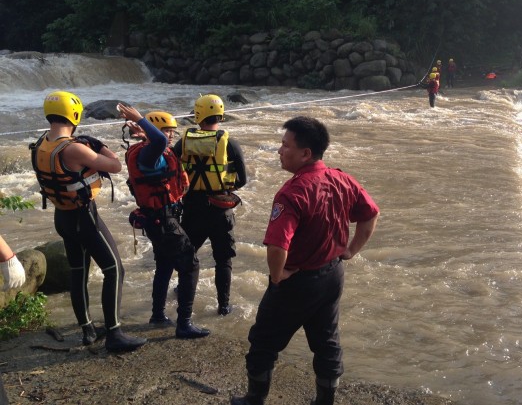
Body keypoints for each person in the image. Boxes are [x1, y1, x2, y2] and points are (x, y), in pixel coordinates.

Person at [231, 116, 379, 405]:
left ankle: (254, 399)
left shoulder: (292, 192)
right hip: (333, 275)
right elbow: (371, 214)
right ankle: (324, 402)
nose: (279, 150)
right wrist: (350, 251)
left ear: (305, 153)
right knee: (327, 342)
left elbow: (277, 245)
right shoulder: (343, 179)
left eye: (285, 145)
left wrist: (277, 276)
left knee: (262, 342)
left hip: (298, 281)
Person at [30, 91, 146, 352]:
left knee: (78, 273)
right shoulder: (73, 148)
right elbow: (114, 166)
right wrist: (97, 143)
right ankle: (115, 333)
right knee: (114, 269)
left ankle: (87, 330)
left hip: (63, 217)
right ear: (74, 115)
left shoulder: (40, 143)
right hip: (85, 217)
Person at [120, 104, 210, 339]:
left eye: (172, 131)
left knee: (165, 265)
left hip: (159, 219)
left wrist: (142, 131)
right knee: (190, 264)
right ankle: (185, 323)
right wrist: (140, 120)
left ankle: (158, 315)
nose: (171, 135)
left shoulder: (148, 150)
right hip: (163, 220)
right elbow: (158, 141)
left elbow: (158, 142)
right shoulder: (150, 152)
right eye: (167, 130)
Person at [173, 94, 247, 316]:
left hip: (192, 208)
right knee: (223, 259)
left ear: (198, 114)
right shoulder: (229, 142)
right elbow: (242, 179)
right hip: (220, 208)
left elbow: (172, 171)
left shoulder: (183, 141)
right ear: (220, 115)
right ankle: (223, 306)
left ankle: (181, 293)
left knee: (188, 254)